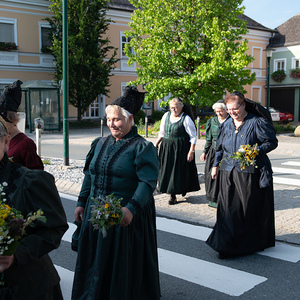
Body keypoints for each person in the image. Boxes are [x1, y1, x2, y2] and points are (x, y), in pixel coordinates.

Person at [71, 86, 161, 300]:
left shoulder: (142, 148)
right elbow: (89, 175)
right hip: (95, 213)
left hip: (124, 217)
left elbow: (147, 183)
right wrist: (81, 202)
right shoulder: (99, 143)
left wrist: (130, 209)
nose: (112, 124)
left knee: (119, 262)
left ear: (130, 120)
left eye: (117, 119)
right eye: (109, 119)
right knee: (94, 258)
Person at [0, 116, 68, 299]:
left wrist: (16, 254)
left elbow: (54, 228)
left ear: (6, 141)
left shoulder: (29, 181)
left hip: (28, 286)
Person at [206, 91, 278, 258]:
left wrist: (252, 152)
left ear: (243, 105)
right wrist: (215, 165)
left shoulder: (257, 122)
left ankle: (244, 243)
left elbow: (271, 142)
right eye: (229, 110)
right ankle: (226, 243)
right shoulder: (227, 124)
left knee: (244, 209)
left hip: (249, 173)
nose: (232, 112)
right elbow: (219, 147)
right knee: (227, 208)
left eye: (235, 109)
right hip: (227, 170)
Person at [155, 97, 200, 205]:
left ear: (181, 107)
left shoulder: (186, 119)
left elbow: (193, 136)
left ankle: (180, 189)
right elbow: (162, 133)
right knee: (167, 170)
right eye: (171, 108)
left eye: (175, 107)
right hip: (167, 147)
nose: (173, 110)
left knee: (178, 171)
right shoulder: (166, 116)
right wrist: (156, 144)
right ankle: (172, 195)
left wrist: (191, 151)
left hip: (181, 148)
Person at [0, 80, 44, 170]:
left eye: (2, 121)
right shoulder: (3, 139)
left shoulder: (25, 143)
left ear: (11, 118)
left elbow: (36, 174)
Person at [200, 100, 228, 208]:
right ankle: (213, 199)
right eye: (216, 111)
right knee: (210, 175)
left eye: (220, 111)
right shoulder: (212, 121)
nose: (219, 113)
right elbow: (209, 139)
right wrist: (204, 152)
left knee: (223, 176)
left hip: (226, 152)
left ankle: (223, 199)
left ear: (225, 110)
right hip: (213, 151)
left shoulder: (231, 121)